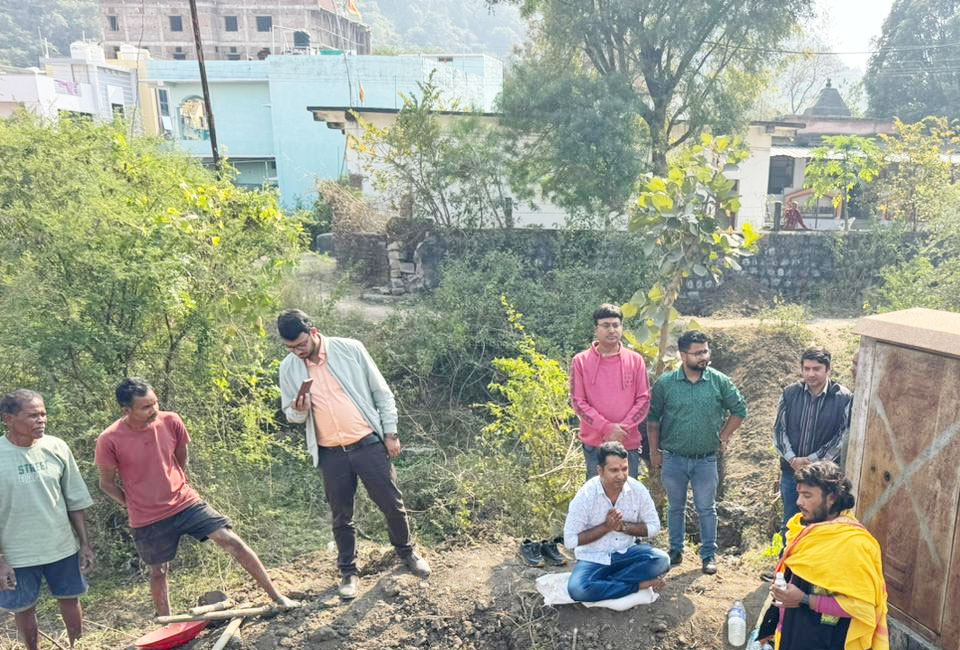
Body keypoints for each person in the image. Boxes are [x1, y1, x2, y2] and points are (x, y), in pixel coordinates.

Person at [96, 379, 296, 616]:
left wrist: (179, 482)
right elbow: (106, 484)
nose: (154, 410)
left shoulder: (171, 421)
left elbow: (182, 454)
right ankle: (167, 625)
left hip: (185, 501)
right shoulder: (109, 439)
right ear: (126, 410)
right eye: (146, 407)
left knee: (230, 540)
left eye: (155, 403)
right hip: (147, 517)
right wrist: (133, 504)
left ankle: (278, 597)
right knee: (159, 571)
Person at [276, 309, 430, 600]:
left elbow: (381, 393)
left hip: (367, 443)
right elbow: (291, 416)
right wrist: (298, 410)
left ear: (314, 332)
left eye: (300, 345)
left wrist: (390, 433)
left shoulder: (350, 349)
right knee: (341, 516)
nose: (297, 352)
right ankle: (348, 572)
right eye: (290, 348)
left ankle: (407, 554)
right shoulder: (288, 368)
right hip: (330, 451)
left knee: (392, 504)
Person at [0, 390, 94, 650]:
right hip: (17, 554)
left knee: (70, 599)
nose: (41, 420)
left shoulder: (56, 447)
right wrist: (1, 561)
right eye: (32, 415)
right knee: (23, 608)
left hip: (61, 547)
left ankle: (78, 645)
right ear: (8, 418)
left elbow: (74, 500)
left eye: (43, 414)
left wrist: (84, 544)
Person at [647, 330, 747, 575]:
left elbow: (739, 410)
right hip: (673, 458)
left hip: (706, 460)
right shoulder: (666, 384)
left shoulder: (719, 381)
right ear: (683, 355)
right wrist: (654, 452)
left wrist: (724, 436)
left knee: (706, 508)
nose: (704, 357)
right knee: (676, 507)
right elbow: (652, 420)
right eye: (698, 352)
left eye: (706, 351)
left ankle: (708, 555)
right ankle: (675, 550)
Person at [769, 461, 888, 650]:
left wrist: (805, 599)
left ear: (831, 498)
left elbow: (862, 608)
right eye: (799, 494)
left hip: (828, 640)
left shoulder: (854, 544)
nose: (799, 502)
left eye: (807, 495)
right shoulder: (802, 529)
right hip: (795, 633)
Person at [563, 442, 669, 602]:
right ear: (600, 471)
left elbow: (654, 527)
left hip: (625, 554)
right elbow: (570, 541)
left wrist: (623, 527)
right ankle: (637, 585)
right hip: (593, 558)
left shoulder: (637, 490)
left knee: (661, 560)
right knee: (577, 589)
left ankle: (605, 584)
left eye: (624, 469)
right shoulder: (586, 495)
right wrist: (606, 527)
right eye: (614, 470)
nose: (621, 475)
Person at [774, 347, 852, 543]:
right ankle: (787, 568)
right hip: (792, 472)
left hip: (823, 478)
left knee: (821, 524)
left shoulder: (843, 397)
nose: (811, 374)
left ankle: (814, 568)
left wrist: (812, 461)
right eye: (806, 368)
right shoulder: (790, 393)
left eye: (816, 369)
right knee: (791, 521)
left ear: (828, 370)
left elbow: (842, 436)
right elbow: (779, 430)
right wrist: (792, 458)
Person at [570, 304, 650, 480]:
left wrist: (622, 430)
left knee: (628, 497)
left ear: (621, 328)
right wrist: (607, 428)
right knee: (598, 498)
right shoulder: (581, 361)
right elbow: (578, 402)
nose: (611, 330)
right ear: (596, 329)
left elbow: (643, 400)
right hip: (595, 445)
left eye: (616, 325)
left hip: (627, 444)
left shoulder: (635, 360)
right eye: (606, 325)